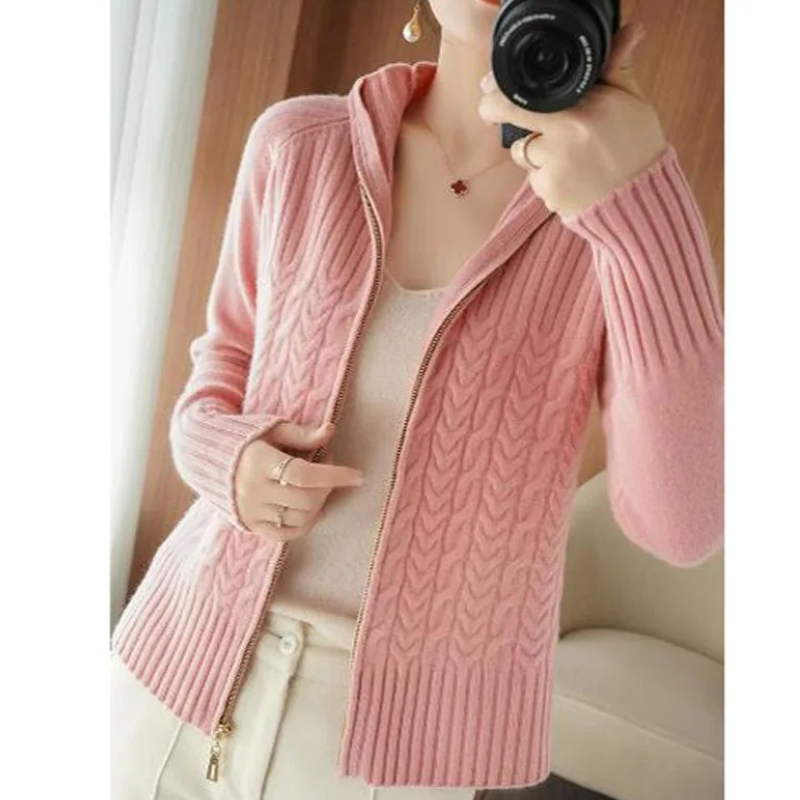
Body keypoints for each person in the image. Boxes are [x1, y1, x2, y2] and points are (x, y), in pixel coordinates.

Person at [109, 1, 725, 799]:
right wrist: (232, 465)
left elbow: (683, 524)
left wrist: (642, 212)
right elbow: (216, 375)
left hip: (398, 748)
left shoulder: (613, 228)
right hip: (179, 673)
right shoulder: (298, 144)